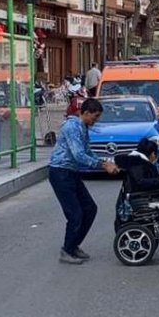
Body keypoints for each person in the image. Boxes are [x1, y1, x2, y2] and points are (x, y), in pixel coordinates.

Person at [48, 97, 119, 264]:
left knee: (90, 208)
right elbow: (78, 155)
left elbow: (88, 151)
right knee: (75, 214)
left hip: (71, 172)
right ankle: (67, 250)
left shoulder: (83, 126)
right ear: (85, 113)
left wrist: (104, 162)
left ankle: (73, 245)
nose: (96, 121)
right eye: (95, 117)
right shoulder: (72, 127)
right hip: (60, 172)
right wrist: (102, 166)